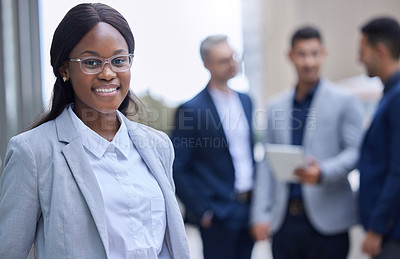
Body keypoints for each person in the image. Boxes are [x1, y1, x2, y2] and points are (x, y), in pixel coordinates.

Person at [0, 3, 189, 259]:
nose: (108, 73)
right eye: (91, 62)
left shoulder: (158, 146)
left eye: (119, 60)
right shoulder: (33, 152)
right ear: (64, 69)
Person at [250, 26, 364, 259]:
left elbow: (356, 152)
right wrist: (260, 214)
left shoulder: (346, 100)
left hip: (329, 221)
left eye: (314, 53)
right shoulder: (275, 106)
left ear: (324, 53)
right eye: (302, 54)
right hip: (285, 221)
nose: (308, 61)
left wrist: (323, 171)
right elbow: (266, 163)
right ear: (290, 56)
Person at [171, 35, 254, 259]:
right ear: (207, 64)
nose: (232, 63)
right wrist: (203, 211)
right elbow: (178, 167)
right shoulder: (191, 109)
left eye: (233, 57)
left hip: (248, 209)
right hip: (217, 215)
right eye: (223, 60)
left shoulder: (246, 101)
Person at [358, 17, 400, 259]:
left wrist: (377, 227)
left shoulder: (397, 98)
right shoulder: (389, 94)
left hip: (391, 233)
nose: (359, 59)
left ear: (380, 51)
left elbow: (397, 170)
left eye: (362, 51)